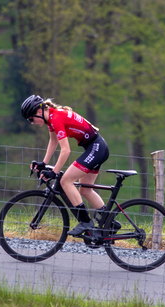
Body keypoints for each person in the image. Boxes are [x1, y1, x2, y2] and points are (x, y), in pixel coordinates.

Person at [21, 94, 109, 236]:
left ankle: (86, 222)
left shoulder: (56, 119)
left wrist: (54, 172)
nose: (32, 122)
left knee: (66, 181)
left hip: (96, 148)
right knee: (85, 190)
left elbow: (66, 150)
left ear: (39, 112)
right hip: (97, 147)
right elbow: (53, 142)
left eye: (31, 119)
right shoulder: (51, 118)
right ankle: (109, 221)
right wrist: (44, 163)